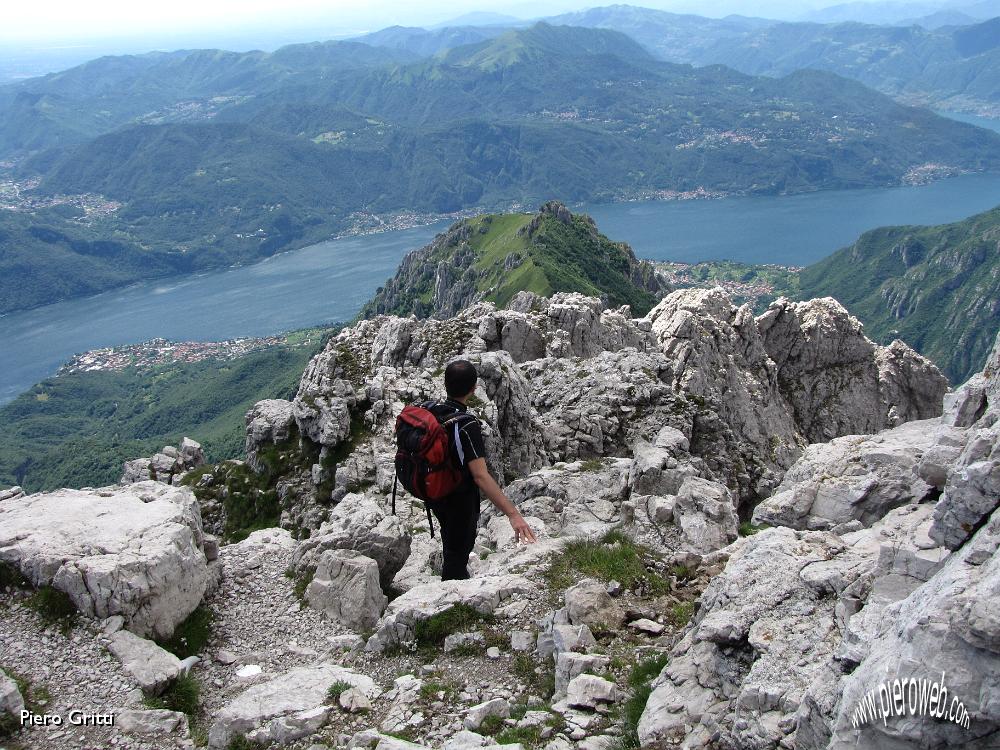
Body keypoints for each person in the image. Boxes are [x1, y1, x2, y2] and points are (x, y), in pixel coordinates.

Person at [426, 359, 536, 580]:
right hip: (459, 499)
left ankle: (453, 581)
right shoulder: (466, 424)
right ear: (473, 388)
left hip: (434, 491)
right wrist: (513, 515)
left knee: (451, 544)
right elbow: (480, 475)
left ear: (445, 384)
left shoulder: (432, 412)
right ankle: (453, 598)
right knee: (458, 553)